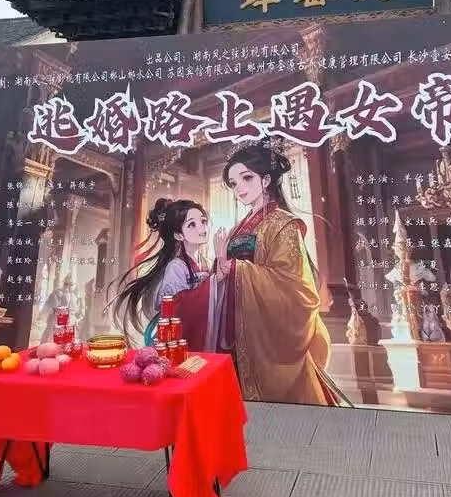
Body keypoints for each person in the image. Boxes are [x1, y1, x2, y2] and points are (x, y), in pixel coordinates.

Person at [196, 140, 350, 407]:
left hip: (266, 331)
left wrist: (235, 268)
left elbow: (295, 287)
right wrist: (218, 268)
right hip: (236, 323)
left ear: (266, 180)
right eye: (233, 183)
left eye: (246, 178)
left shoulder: (283, 224)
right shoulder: (238, 227)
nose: (239, 188)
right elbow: (226, 269)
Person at [110, 198, 224, 349]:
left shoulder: (207, 262)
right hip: (180, 337)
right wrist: (214, 280)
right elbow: (178, 307)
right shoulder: (176, 267)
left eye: (203, 221)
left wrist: (220, 264)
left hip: (201, 331)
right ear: (178, 235)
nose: (202, 228)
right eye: (192, 224)